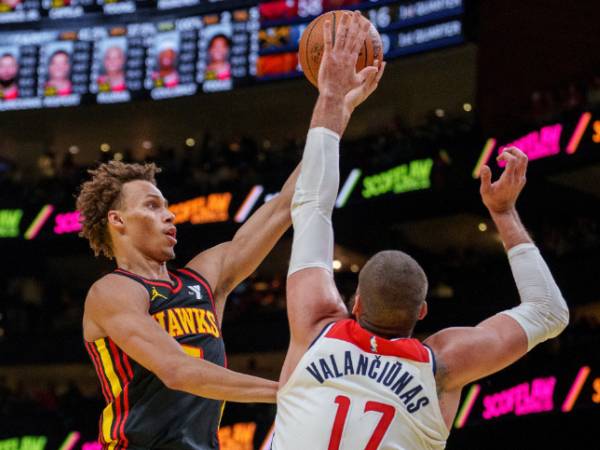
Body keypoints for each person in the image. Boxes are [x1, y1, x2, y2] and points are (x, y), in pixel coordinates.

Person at [272, 12, 569, 450]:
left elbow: (312, 204)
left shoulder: (315, 325)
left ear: (354, 302)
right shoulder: (441, 366)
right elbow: (549, 311)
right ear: (423, 312)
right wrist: (504, 214)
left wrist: (333, 97)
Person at [77, 159, 301, 444]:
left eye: (167, 206)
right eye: (152, 206)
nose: (169, 215)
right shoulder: (113, 291)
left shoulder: (203, 282)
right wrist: (285, 391)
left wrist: (330, 124)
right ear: (118, 220)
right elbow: (177, 370)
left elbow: (284, 205)